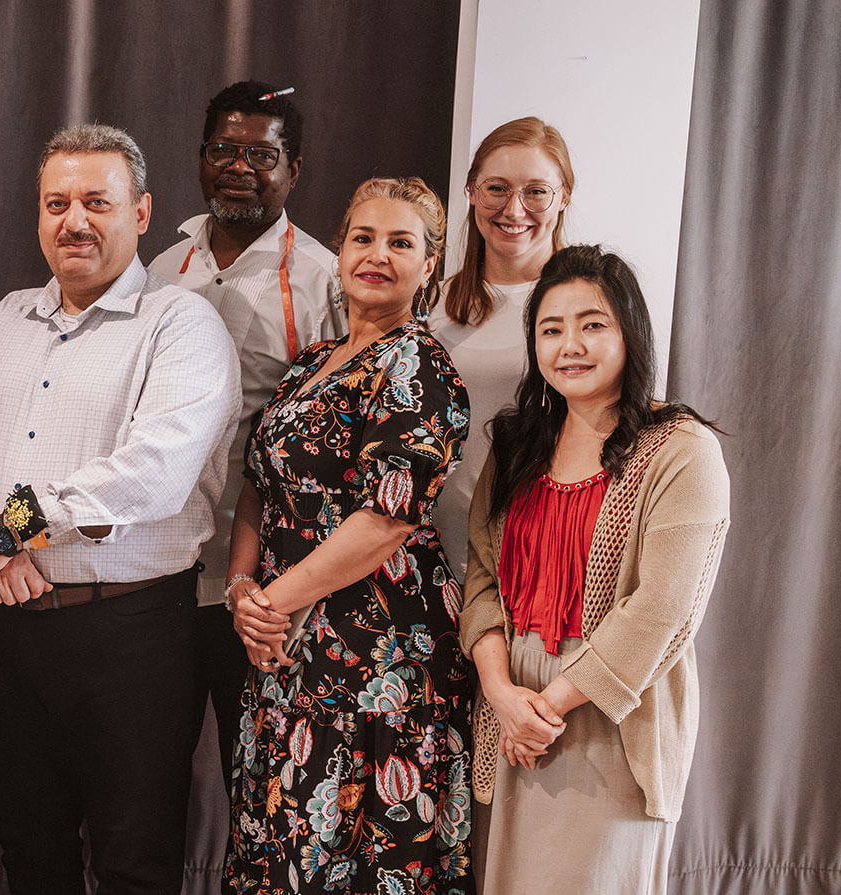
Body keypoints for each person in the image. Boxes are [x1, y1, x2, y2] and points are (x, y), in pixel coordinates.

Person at [0, 123, 240, 895]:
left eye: (97, 202)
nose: (75, 221)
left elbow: (152, 473)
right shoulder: (5, 319)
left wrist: (7, 531)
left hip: (132, 632)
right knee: (30, 853)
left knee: (136, 858)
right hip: (12, 632)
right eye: (56, 203)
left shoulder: (182, 324)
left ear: (142, 212)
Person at [226, 177, 476, 895]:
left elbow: (388, 518)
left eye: (401, 243)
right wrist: (242, 588)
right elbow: (257, 486)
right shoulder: (310, 363)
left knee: (364, 853)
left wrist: (272, 602)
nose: (378, 255)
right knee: (284, 840)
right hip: (284, 641)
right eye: (363, 238)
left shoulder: (419, 365)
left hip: (381, 654)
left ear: (429, 265)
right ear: (339, 252)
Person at [458, 245, 729, 894]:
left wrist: (547, 707)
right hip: (510, 713)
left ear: (631, 333)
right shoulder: (516, 443)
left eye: (592, 324)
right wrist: (502, 693)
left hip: (612, 716)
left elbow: (664, 610)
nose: (570, 345)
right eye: (551, 329)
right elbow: (482, 578)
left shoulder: (681, 449)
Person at [147, 78, 345, 784]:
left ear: (294, 169)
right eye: (223, 150)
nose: (239, 167)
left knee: (261, 782)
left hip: (265, 590)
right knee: (150, 778)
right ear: (200, 157)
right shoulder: (160, 269)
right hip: (161, 574)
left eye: (261, 155)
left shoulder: (326, 281)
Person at [430, 117, 576, 577]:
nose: (514, 210)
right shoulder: (431, 304)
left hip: (537, 561)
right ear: (472, 192)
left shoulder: (590, 307)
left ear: (564, 197)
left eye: (536, 192)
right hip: (428, 559)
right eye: (497, 188)